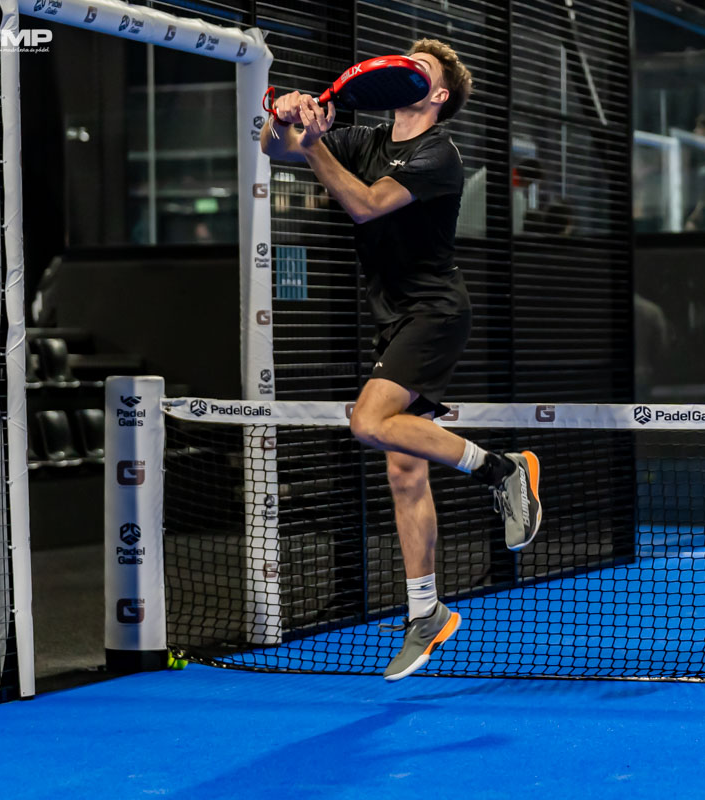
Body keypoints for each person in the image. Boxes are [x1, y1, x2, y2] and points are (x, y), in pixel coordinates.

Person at [260, 39, 542, 680]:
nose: (403, 69)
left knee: (367, 422)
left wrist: (315, 145)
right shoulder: (364, 139)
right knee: (404, 470)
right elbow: (274, 150)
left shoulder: (439, 153)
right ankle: (426, 612)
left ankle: (503, 470)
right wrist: (286, 118)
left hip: (434, 313)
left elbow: (364, 205)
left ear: (437, 95)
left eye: (422, 69)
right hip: (391, 318)